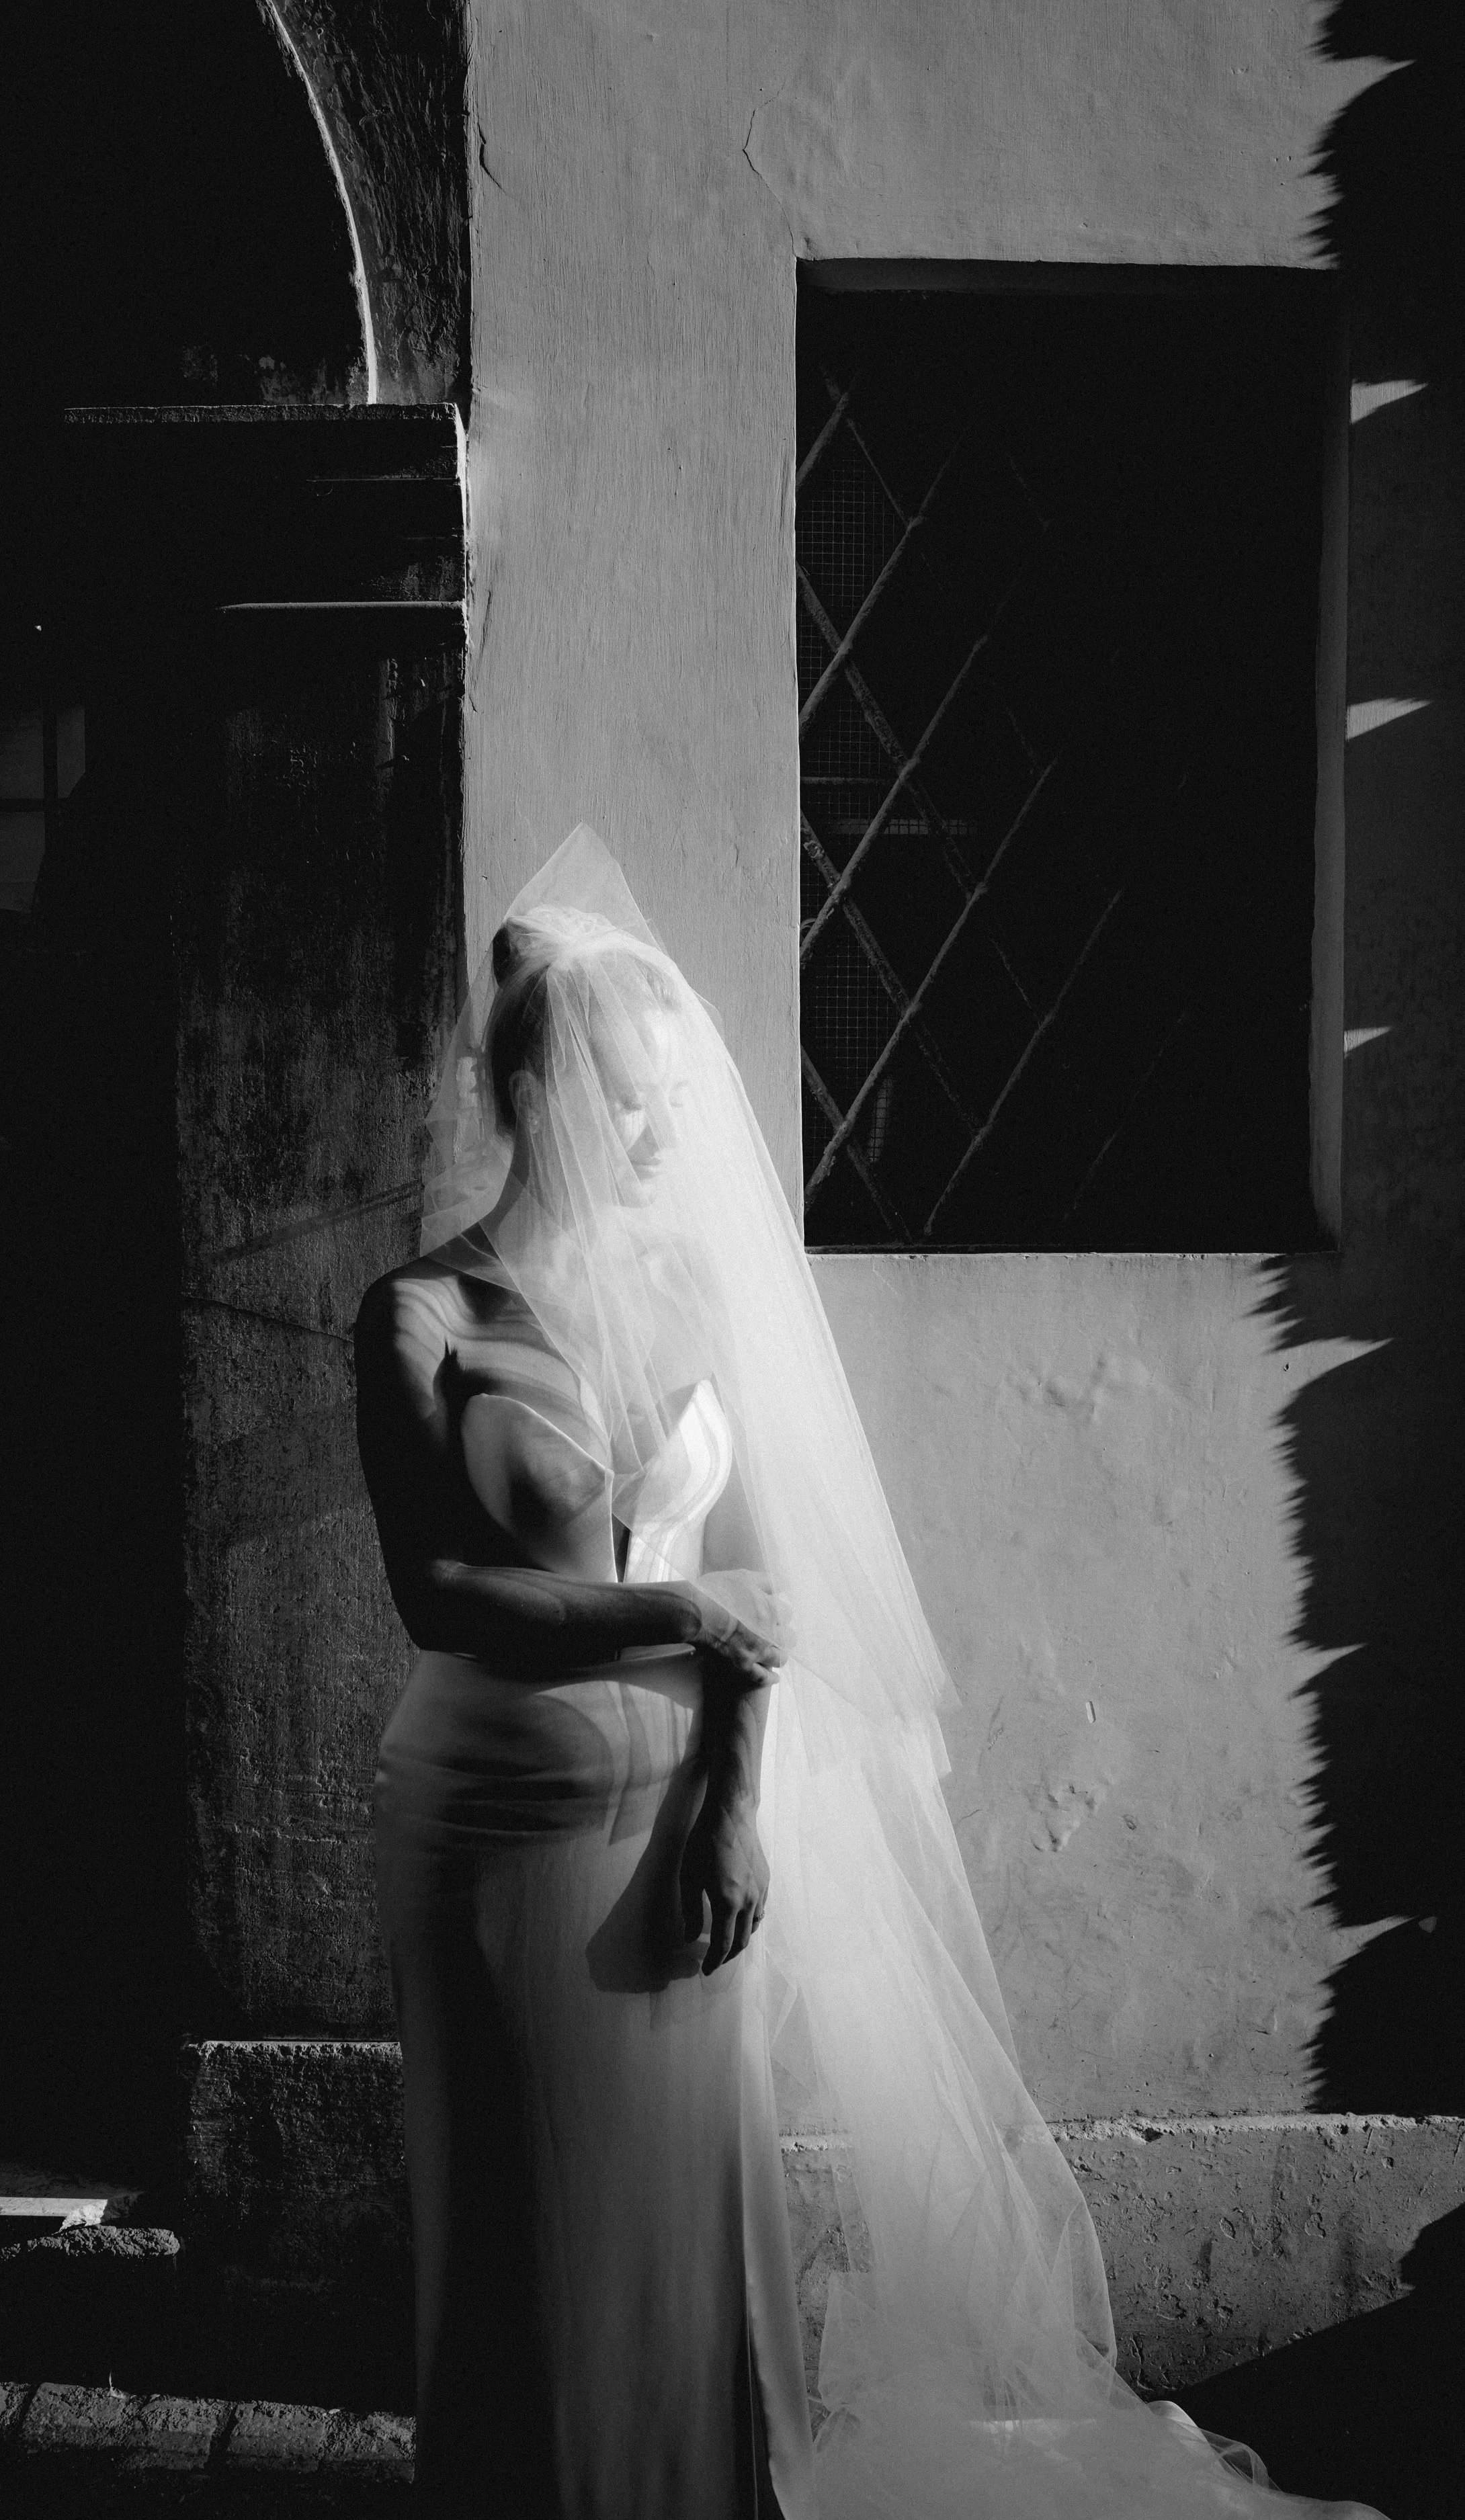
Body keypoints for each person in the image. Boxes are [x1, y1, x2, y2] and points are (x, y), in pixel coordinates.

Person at [356, 827, 1383, 2520]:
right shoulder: (418, 1318)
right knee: (510, 2220)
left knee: (688, 2209)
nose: (666, 1131)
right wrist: (687, 1617)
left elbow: (774, 1578)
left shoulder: (692, 1290)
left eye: (671, 1095)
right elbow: (441, 1595)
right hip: (480, 1815)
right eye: (632, 1098)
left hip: (671, 1811)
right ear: (540, 1091)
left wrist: (735, 1803)